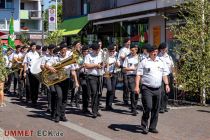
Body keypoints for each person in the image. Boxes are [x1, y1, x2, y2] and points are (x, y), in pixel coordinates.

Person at [134, 44, 170, 134]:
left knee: (156, 109)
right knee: (148, 107)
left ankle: (152, 127)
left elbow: (164, 74)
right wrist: (137, 86)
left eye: (156, 52)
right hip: (147, 88)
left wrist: (166, 84)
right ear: (149, 52)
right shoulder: (144, 62)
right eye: (153, 52)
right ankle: (144, 125)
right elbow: (138, 74)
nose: (155, 53)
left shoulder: (161, 61)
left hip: (158, 88)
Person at [84, 43, 103, 118]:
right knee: (94, 93)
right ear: (93, 49)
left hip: (100, 76)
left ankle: (96, 109)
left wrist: (103, 65)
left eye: (98, 50)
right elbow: (86, 65)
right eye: (96, 50)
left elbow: (104, 64)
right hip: (91, 76)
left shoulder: (101, 55)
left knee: (99, 94)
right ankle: (94, 111)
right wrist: (96, 65)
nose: (97, 51)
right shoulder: (88, 56)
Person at [158, 42, 174, 113]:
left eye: (166, 48)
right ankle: (161, 107)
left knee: (167, 91)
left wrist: (174, 75)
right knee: (162, 92)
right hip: (161, 76)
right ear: (161, 49)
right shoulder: (158, 57)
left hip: (169, 75)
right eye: (165, 48)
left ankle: (165, 106)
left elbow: (172, 67)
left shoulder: (169, 57)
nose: (166, 49)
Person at [123, 45, 139, 116]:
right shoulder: (127, 58)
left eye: (133, 50)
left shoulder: (140, 58)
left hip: (138, 76)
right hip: (130, 76)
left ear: (136, 50)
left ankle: (134, 107)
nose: (132, 52)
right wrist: (131, 69)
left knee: (137, 92)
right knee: (133, 91)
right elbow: (124, 68)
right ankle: (133, 109)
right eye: (131, 50)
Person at [104, 44, 118, 111]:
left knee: (112, 90)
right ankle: (107, 105)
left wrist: (117, 64)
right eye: (110, 51)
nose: (112, 52)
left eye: (113, 51)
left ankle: (109, 105)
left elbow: (119, 66)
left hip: (114, 73)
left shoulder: (116, 57)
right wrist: (109, 64)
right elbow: (103, 66)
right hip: (107, 73)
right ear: (108, 51)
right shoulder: (106, 57)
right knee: (109, 89)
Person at [117, 38, 131, 105]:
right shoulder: (122, 50)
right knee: (126, 84)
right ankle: (125, 99)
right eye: (128, 42)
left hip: (130, 68)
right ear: (125, 43)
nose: (129, 43)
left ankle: (128, 98)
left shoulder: (129, 49)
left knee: (129, 83)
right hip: (124, 67)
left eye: (129, 42)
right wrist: (129, 56)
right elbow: (122, 57)